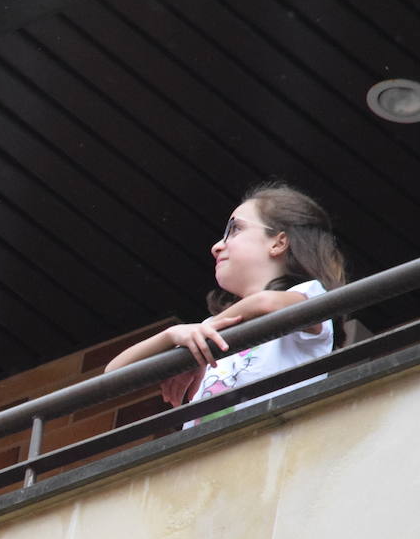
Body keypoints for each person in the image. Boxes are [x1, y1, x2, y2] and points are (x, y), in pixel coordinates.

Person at [105, 181, 347, 423]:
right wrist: (173, 335)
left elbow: (266, 303)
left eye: (235, 229)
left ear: (278, 242)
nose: (216, 247)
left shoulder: (309, 295)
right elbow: (112, 375)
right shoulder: (208, 329)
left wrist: (203, 335)